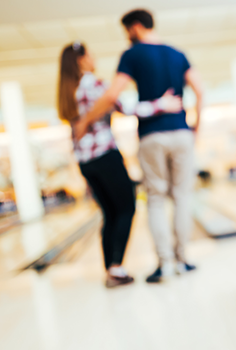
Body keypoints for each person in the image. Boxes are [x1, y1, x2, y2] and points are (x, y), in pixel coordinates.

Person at [74, 9, 204, 283]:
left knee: (156, 198)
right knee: (182, 197)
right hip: (182, 132)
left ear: (135, 27)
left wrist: (85, 121)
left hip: (151, 135)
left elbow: (112, 94)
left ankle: (165, 264)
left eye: (127, 31)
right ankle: (183, 260)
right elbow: (200, 90)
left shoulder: (132, 54)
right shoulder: (178, 54)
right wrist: (195, 128)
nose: (126, 37)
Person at [58, 42, 182, 287]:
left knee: (110, 214)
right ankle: (116, 267)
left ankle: (111, 270)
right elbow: (127, 107)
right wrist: (162, 104)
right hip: (105, 155)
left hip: (85, 161)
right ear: (81, 60)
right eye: (90, 54)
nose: (94, 58)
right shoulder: (93, 84)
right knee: (126, 207)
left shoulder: (67, 91)